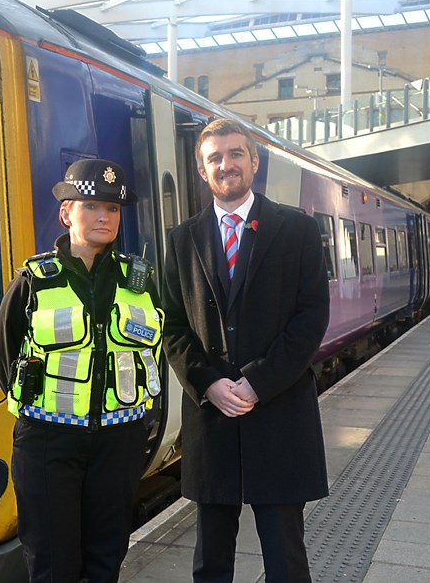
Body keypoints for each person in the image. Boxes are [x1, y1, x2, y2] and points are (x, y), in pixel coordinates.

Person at [162, 118, 330, 583]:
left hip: (278, 417)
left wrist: (257, 382)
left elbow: (311, 318)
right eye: (214, 158)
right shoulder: (181, 240)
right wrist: (207, 382)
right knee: (211, 562)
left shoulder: (296, 230)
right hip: (212, 423)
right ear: (202, 171)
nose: (226, 164)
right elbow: (173, 324)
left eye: (235, 154)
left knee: (285, 560)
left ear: (254, 162)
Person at [0, 158, 164, 583]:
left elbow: (156, 352)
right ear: (68, 213)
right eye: (92, 206)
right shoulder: (33, 281)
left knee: (106, 559)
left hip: (118, 442)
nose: (105, 216)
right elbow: (2, 360)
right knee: (52, 564)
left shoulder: (139, 281)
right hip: (49, 442)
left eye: (113, 209)